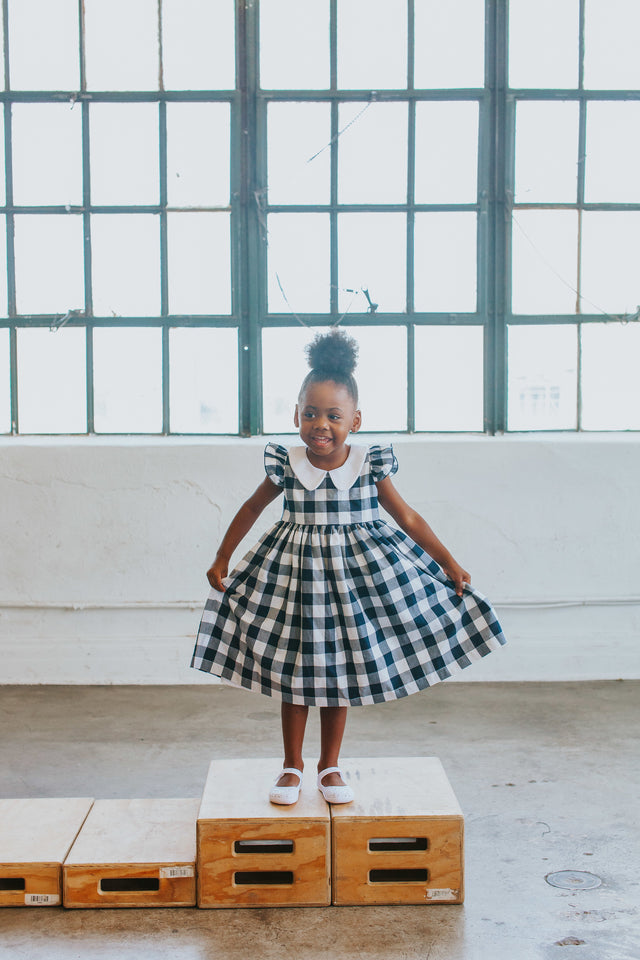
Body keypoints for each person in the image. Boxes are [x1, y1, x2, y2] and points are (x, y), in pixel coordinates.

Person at [191, 328, 506, 805]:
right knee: (294, 672)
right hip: (295, 584)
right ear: (296, 415)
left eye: (334, 415)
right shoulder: (287, 463)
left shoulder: (368, 464)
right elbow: (252, 509)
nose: (321, 424)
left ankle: (330, 766)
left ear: (355, 420)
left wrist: (450, 563)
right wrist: (222, 556)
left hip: (355, 587)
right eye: (311, 413)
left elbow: (407, 518)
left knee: (338, 675)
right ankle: (291, 766)